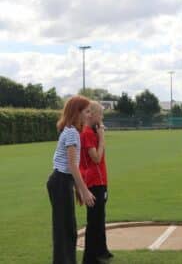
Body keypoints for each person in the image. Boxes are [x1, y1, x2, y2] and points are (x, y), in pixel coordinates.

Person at [47, 96, 96, 264]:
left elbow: (71, 167)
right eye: (87, 111)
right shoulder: (72, 133)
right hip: (60, 181)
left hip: (63, 181)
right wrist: (84, 190)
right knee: (65, 230)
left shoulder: (72, 131)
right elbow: (72, 166)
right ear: (77, 113)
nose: (90, 115)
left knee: (67, 229)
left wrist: (76, 187)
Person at [80, 101, 113, 264]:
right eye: (100, 114)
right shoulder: (87, 133)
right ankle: (89, 258)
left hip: (100, 180)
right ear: (91, 114)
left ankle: (102, 250)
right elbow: (96, 157)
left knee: (100, 218)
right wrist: (102, 138)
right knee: (94, 221)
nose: (102, 117)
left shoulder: (91, 132)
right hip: (93, 182)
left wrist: (99, 134)